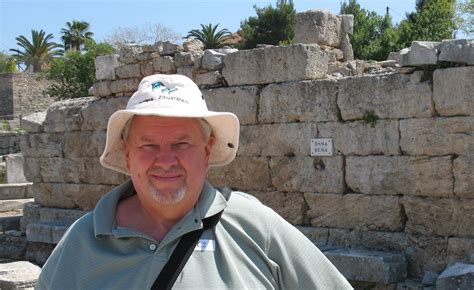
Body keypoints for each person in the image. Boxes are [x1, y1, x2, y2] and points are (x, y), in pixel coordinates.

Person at [36, 74, 353, 289]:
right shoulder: (82, 242)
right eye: (149, 145)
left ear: (207, 149)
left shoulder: (256, 227)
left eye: (181, 144)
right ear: (128, 156)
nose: (165, 159)